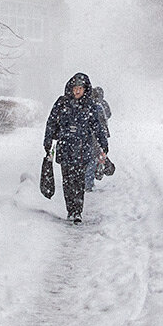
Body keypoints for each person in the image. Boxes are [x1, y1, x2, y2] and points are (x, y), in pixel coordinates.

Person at [43, 72, 108, 223]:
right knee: (67, 182)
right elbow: (51, 122)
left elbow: (96, 126)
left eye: (80, 88)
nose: (77, 91)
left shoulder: (89, 106)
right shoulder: (62, 103)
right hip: (66, 149)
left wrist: (103, 142)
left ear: (85, 89)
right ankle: (70, 210)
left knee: (79, 182)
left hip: (82, 150)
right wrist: (48, 141)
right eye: (75, 88)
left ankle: (77, 211)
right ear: (70, 89)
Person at [91, 86, 112, 184]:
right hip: (102, 131)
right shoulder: (103, 103)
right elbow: (109, 114)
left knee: (94, 152)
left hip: (93, 132)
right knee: (100, 151)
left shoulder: (91, 104)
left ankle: (97, 169)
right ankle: (100, 166)